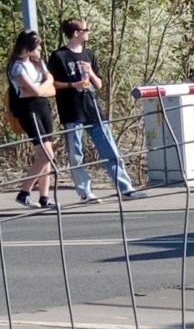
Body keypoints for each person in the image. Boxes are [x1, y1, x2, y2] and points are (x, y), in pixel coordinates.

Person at [48, 17, 143, 202]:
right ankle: (85, 191)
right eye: (85, 29)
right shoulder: (59, 56)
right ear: (76, 33)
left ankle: (126, 187)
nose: (88, 32)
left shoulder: (89, 54)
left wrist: (90, 72)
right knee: (76, 154)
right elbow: (52, 84)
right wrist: (72, 84)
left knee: (110, 149)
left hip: (93, 109)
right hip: (72, 111)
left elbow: (98, 84)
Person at [5, 30, 59, 210]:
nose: (40, 49)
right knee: (45, 154)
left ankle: (45, 196)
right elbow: (34, 90)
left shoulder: (38, 63)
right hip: (29, 109)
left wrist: (42, 87)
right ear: (28, 47)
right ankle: (24, 192)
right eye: (37, 46)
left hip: (43, 107)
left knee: (48, 155)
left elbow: (51, 88)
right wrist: (43, 86)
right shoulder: (17, 66)